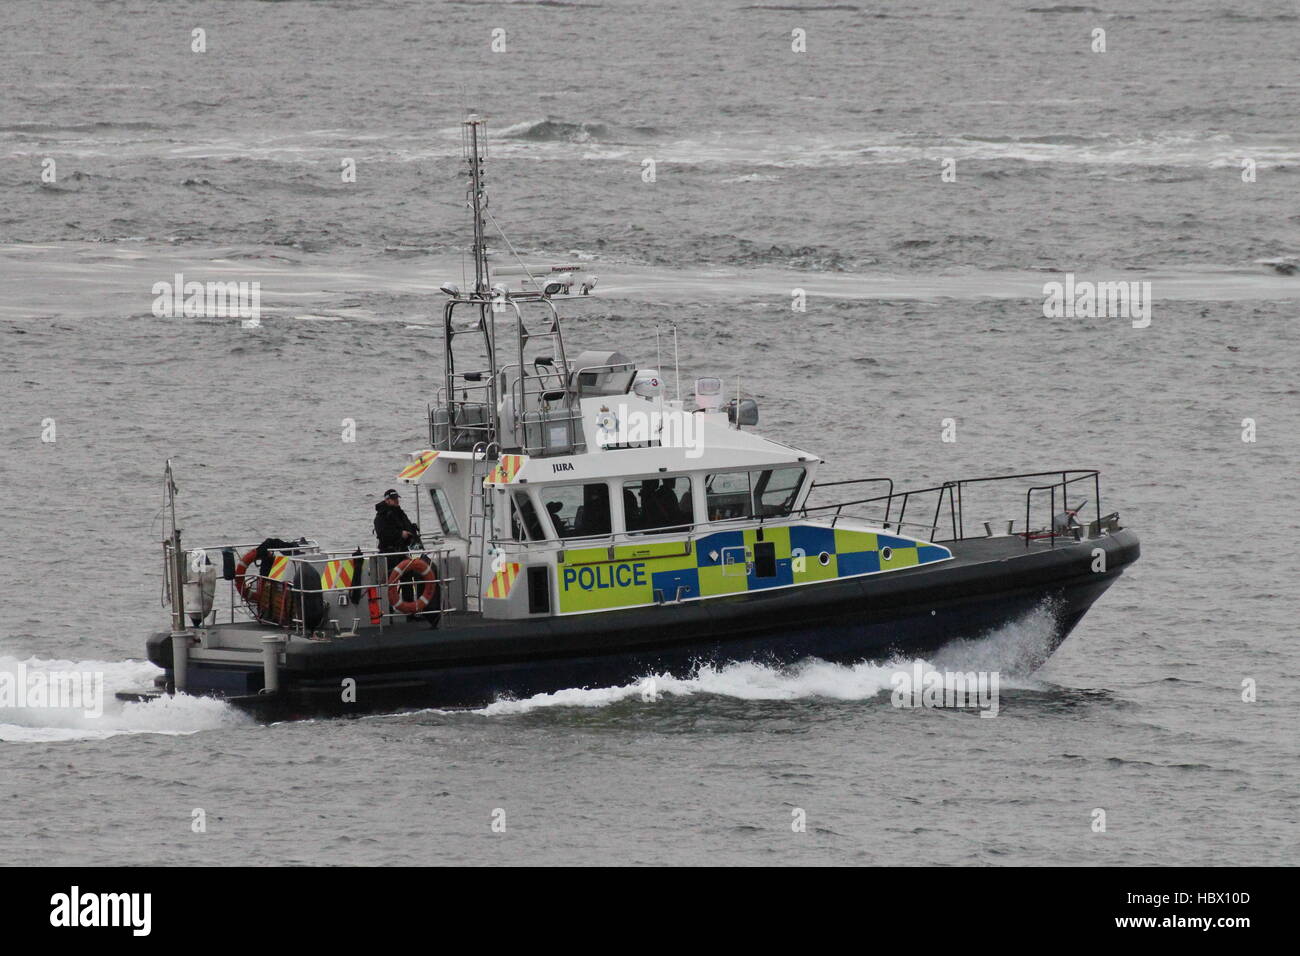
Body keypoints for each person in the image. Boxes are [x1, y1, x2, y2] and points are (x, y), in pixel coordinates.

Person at [374, 489, 419, 575]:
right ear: (387, 500)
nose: (397, 501)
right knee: (391, 580)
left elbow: (408, 526)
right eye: (394, 499)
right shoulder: (381, 516)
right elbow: (382, 535)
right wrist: (400, 534)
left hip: (403, 552)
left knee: (408, 578)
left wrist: (412, 534)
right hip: (388, 554)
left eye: (397, 498)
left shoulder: (400, 513)